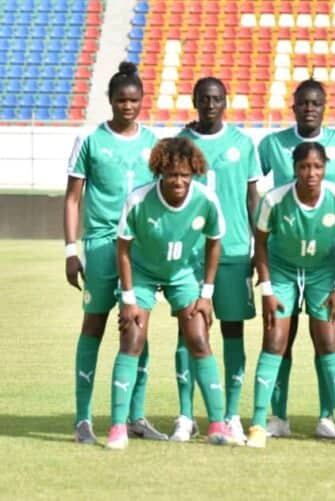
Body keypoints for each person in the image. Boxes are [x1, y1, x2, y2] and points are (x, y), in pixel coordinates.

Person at [108, 137, 237, 449]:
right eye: (171, 174)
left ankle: (217, 425)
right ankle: (117, 427)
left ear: (194, 173)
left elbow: (214, 242)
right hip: (142, 272)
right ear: (159, 172)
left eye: (185, 175)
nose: (178, 181)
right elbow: (122, 249)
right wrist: (127, 298)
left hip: (183, 274)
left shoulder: (206, 199)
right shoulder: (138, 200)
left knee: (198, 338)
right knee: (133, 338)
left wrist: (206, 293)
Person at [64, 61, 165, 444]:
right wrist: (71, 250)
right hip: (102, 246)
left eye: (134, 100)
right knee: (94, 326)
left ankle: (135, 416)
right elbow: (73, 199)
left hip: (140, 250)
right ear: (110, 100)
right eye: (121, 99)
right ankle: (83, 418)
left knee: (139, 330)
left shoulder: (154, 142)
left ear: (142, 101)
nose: (128, 106)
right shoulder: (90, 141)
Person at [257, 78, 335, 439]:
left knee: (326, 339)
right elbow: (249, 181)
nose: (310, 108)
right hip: (282, 259)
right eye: (303, 103)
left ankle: (328, 417)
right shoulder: (272, 143)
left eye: (316, 103)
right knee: (280, 338)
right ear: (294, 106)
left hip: (325, 263)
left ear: (325, 105)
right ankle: (276, 417)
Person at [170, 77, 262, 443]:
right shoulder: (180, 143)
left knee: (232, 330)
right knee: (188, 333)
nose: (210, 104)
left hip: (236, 251)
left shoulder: (243, 143)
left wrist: (258, 248)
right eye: (204, 98)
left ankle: (232, 414)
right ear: (194, 101)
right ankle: (185, 415)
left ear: (226, 101)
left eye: (216, 98)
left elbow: (253, 198)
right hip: (191, 255)